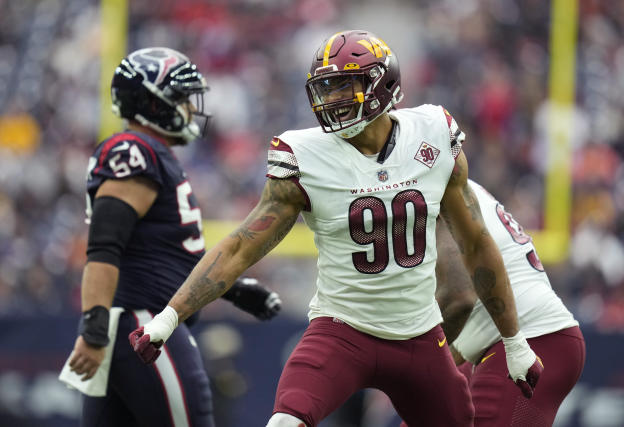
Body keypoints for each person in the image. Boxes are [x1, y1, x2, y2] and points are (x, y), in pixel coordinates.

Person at [129, 31, 543, 427]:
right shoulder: (304, 155)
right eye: (325, 89)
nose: (331, 100)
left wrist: (514, 341)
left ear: (382, 85)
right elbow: (242, 245)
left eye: (344, 87)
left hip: (419, 335)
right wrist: (170, 316)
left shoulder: (431, 133)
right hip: (343, 330)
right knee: (286, 419)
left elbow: (475, 243)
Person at [63, 47, 281, 427]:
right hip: (143, 324)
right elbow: (104, 247)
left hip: (133, 325)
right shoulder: (132, 150)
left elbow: (167, 254)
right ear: (152, 101)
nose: (189, 108)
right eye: (181, 98)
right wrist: (94, 328)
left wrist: (232, 288)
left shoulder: (156, 155)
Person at [430, 180, 584, 426]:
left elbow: (459, 298)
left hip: (533, 339)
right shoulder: (450, 182)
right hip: (505, 342)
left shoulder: (432, 186)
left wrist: (415, 360)